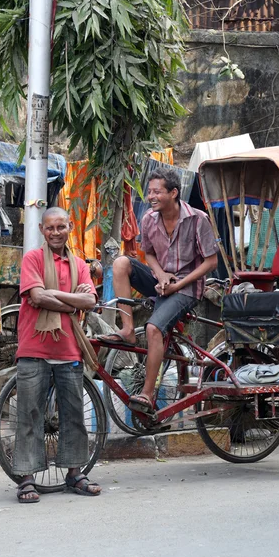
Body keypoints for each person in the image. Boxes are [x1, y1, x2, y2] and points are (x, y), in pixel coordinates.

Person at [99, 168, 218, 413]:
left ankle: (146, 393)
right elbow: (149, 252)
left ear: (174, 193)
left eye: (157, 192)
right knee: (121, 263)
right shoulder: (149, 219)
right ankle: (128, 328)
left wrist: (178, 284)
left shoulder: (198, 219)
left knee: (154, 329)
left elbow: (211, 261)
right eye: (149, 192)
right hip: (160, 281)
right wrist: (161, 274)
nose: (151, 197)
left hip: (187, 288)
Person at [13, 207, 101, 502]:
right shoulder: (33, 259)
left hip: (68, 348)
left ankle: (75, 473)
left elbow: (89, 300)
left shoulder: (79, 264)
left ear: (70, 227)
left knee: (73, 414)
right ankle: (26, 478)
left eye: (60, 227)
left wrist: (56, 296)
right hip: (34, 347)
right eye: (50, 228)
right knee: (29, 414)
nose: (55, 232)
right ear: (42, 229)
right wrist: (71, 302)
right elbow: (36, 297)